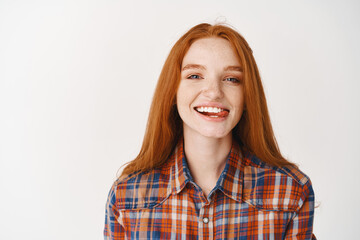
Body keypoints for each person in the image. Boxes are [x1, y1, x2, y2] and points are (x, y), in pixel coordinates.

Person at [104, 23, 316, 239]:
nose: (214, 92)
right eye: (194, 76)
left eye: (232, 79)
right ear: (172, 92)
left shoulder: (291, 192)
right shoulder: (125, 197)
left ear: (246, 98)